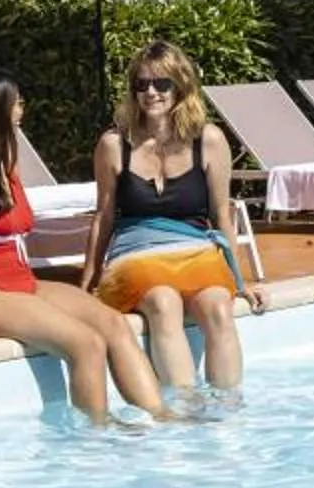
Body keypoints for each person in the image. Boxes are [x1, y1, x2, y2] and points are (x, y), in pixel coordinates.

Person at [0, 66, 176, 425]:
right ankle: (98, 436)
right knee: (86, 344)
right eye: (16, 104)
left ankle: (162, 419)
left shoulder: (4, 160)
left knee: (113, 324)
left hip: (19, 282)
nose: (22, 111)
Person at [84, 40, 267, 397]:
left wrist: (240, 283)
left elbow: (220, 215)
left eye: (161, 83)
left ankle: (228, 414)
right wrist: (88, 283)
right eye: (141, 84)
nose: (150, 92)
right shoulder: (113, 144)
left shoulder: (209, 140)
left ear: (181, 86)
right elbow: (103, 217)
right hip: (135, 254)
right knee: (163, 301)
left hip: (195, 250)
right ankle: (183, 409)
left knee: (217, 305)